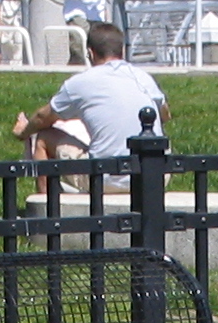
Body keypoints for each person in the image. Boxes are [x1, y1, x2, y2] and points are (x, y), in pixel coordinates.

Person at [12, 22, 169, 195]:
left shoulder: (81, 83)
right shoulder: (144, 77)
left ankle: (47, 211)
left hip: (106, 177)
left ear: (90, 53)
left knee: (43, 138)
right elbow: (164, 115)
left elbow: (43, 118)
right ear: (122, 51)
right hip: (154, 175)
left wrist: (23, 132)